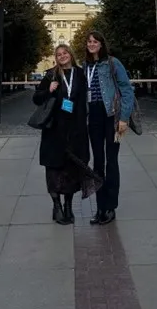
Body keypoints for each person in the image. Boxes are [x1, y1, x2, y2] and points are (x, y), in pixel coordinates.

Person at [32, 44, 101, 224]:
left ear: (70, 55)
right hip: (54, 130)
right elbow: (36, 98)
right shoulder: (51, 75)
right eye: (58, 54)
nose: (62, 56)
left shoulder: (80, 74)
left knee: (72, 170)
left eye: (65, 53)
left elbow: (84, 100)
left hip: (75, 130)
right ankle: (57, 206)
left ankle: (69, 206)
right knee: (54, 169)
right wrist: (49, 90)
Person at [85, 31, 134, 226]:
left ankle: (110, 207)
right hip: (94, 117)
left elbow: (126, 90)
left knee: (111, 162)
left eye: (95, 41)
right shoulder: (86, 66)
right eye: (89, 42)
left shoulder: (113, 63)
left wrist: (123, 118)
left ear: (101, 44)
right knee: (97, 162)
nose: (91, 44)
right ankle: (100, 207)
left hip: (111, 116)